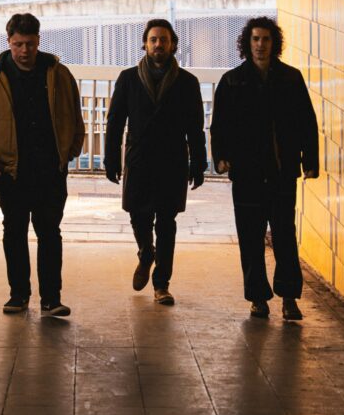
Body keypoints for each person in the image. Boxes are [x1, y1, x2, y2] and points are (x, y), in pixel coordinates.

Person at [0, 13, 85, 317]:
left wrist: (68, 153)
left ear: (38, 41)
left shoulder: (59, 74)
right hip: (10, 172)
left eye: (29, 44)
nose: (24, 50)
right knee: (15, 231)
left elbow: (75, 116)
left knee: (49, 232)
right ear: (8, 42)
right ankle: (18, 295)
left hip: (49, 170)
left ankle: (51, 299)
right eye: (18, 44)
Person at [210, 16, 319, 321]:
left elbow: (306, 123)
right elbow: (219, 126)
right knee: (250, 235)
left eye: (266, 39)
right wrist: (221, 157)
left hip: (282, 171)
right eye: (255, 39)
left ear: (274, 43)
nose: (260, 45)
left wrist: (310, 161)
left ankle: (288, 296)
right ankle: (258, 297)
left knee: (285, 234)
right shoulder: (232, 81)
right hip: (247, 173)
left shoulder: (291, 79)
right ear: (247, 43)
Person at [104, 19, 206, 306]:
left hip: (172, 160)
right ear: (145, 44)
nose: (158, 44)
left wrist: (198, 163)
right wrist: (111, 158)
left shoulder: (187, 82)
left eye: (163, 40)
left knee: (167, 222)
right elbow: (115, 122)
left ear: (173, 44)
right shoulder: (128, 79)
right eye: (153, 40)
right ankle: (145, 252)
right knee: (138, 215)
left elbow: (195, 127)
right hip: (139, 159)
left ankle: (162, 284)